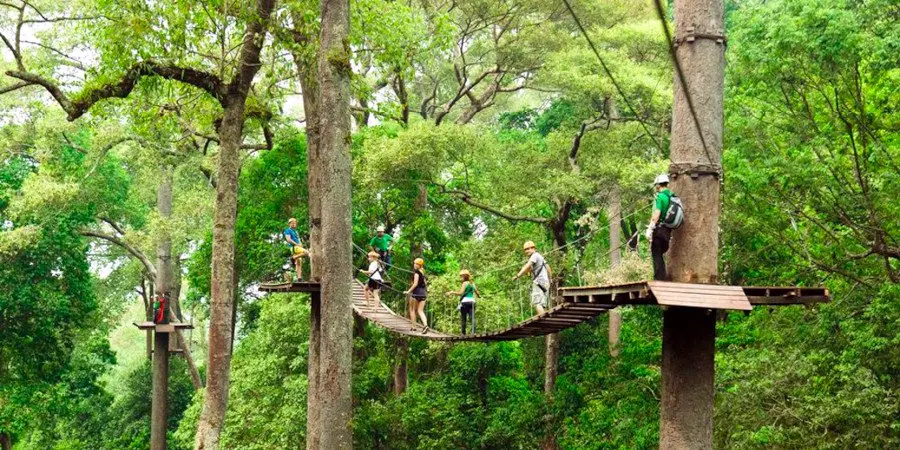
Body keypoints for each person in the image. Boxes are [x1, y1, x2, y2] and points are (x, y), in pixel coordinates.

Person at [645, 174, 674, 281]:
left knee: (656, 253)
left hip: (659, 230)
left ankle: (658, 279)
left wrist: (650, 228)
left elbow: (657, 213)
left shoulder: (660, 197)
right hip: (667, 230)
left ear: (658, 185)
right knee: (660, 254)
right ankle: (663, 277)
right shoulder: (671, 196)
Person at [513, 241, 552, 315]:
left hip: (538, 282)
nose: (526, 251)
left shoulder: (534, 256)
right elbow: (548, 267)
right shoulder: (540, 257)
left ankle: (543, 321)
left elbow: (527, 265)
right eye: (525, 249)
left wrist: (518, 276)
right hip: (546, 282)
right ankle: (547, 321)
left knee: (537, 303)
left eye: (528, 249)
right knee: (543, 304)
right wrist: (550, 279)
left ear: (533, 248)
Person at [446, 269, 480, 335]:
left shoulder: (465, 283)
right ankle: (474, 332)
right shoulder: (472, 283)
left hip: (465, 302)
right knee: (472, 317)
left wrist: (451, 292)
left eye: (461, 276)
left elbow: (461, 293)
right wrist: (478, 296)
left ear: (464, 277)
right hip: (472, 302)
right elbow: (477, 293)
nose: (460, 278)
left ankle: (463, 333)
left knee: (463, 318)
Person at [403, 258, 429, 333]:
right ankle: (425, 325)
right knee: (420, 311)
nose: (414, 265)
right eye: (414, 263)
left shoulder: (417, 272)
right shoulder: (423, 273)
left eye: (416, 264)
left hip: (416, 293)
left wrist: (408, 291)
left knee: (412, 309)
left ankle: (413, 327)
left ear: (419, 265)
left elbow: (415, 284)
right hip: (423, 293)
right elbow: (425, 284)